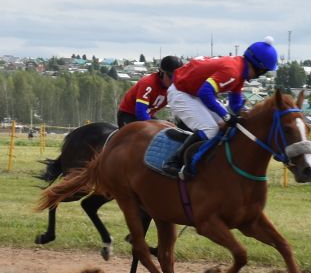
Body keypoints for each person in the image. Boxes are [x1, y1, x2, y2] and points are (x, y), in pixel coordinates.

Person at [165, 38, 278, 179]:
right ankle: (174, 162)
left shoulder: (239, 71)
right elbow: (205, 93)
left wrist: (248, 116)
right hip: (181, 92)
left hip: (193, 92)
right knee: (211, 129)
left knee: (228, 128)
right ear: (259, 68)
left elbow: (235, 104)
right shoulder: (233, 71)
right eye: (264, 72)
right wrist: (226, 116)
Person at [116, 56, 182, 128]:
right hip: (128, 114)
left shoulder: (175, 88)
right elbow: (140, 112)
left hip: (147, 116)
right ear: (162, 73)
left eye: (177, 78)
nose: (173, 81)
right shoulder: (148, 84)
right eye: (171, 77)